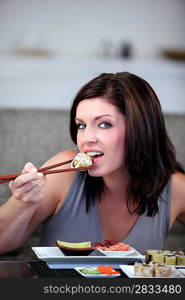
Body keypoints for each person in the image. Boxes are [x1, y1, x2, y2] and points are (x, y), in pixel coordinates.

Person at [0, 71, 185, 255]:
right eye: (81, 125)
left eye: (104, 124)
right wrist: (22, 202)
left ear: (141, 128)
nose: (87, 138)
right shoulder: (66, 170)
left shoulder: (175, 188)